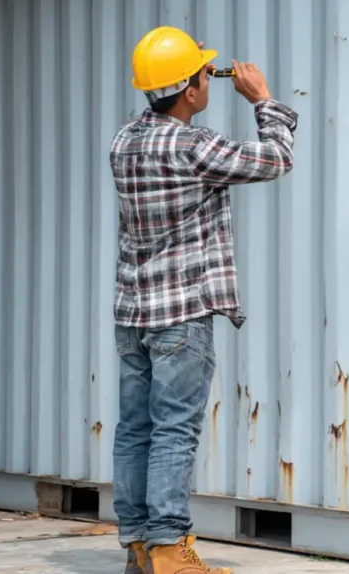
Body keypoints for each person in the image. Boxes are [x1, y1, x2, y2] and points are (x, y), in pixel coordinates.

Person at [109, 26, 298, 574]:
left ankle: (140, 548)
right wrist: (264, 101)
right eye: (201, 73)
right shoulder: (195, 146)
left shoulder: (124, 140)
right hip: (181, 316)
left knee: (134, 429)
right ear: (193, 88)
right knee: (174, 428)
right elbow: (276, 159)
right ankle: (170, 548)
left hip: (132, 313)